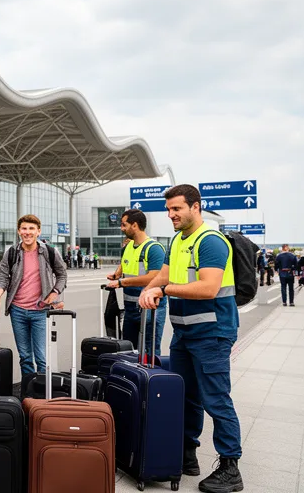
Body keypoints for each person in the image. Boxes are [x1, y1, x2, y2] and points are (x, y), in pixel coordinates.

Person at [139, 184, 243, 493]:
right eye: (168, 209)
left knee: (216, 399)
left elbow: (208, 288)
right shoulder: (177, 240)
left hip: (212, 334)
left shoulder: (210, 240)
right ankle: (187, 455)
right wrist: (150, 289)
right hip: (184, 333)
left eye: (177, 209)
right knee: (185, 396)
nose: (171, 214)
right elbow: (164, 275)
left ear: (195, 207)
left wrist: (163, 290)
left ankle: (230, 467)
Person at [0, 215, 67, 379]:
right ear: (19, 231)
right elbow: (3, 277)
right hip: (18, 311)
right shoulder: (12, 253)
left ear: (38, 231)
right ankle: (29, 390)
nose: (27, 232)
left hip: (40, 311)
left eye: (31, 229)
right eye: (24, 228)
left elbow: (62, 275)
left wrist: (54, 293)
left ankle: (42, 391)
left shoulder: (49, 252)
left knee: (41, 358)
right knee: (25, 358)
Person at [106, 209, 167, 356]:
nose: (121, 228)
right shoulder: (128, 247)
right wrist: (117, 274)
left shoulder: (154, 248)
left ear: (134, 225)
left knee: (150, 352)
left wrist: (122, 282)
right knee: (129, 350)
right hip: (130, 309)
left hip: (150, 308)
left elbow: (154, 277)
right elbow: (125, 264)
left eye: (124, 224)